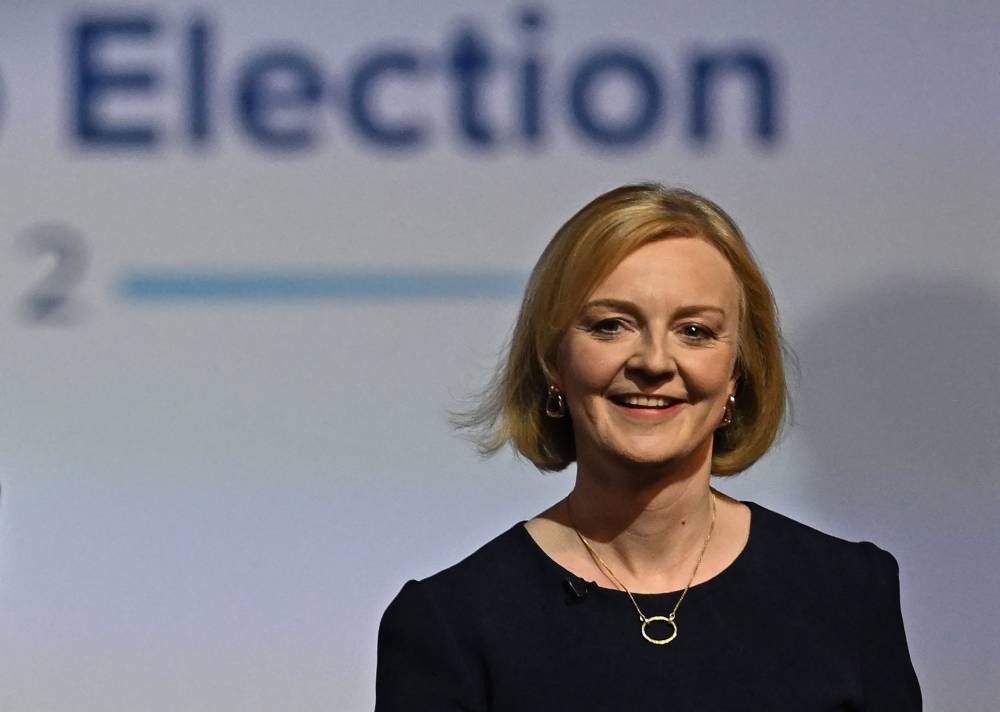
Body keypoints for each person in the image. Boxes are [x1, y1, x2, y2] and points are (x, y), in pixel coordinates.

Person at [375, 184, 921, 710]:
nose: (654, 362)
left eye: (695, 331)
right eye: (611, 325)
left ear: (738, 370)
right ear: (553, 362)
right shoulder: (451, 624)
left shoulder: (848, 593)